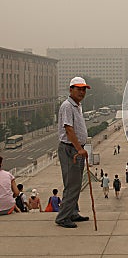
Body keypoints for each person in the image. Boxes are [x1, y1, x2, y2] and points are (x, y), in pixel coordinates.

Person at [55, 76, 91, 228]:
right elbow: (69, 129)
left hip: (74, 149)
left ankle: (73, 212)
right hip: (71, 150)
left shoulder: (77, 105)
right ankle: (63, 217)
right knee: (72, 185)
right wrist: (80, 149)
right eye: (79, 89)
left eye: (84, 89)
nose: (82, 92)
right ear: (71, 90)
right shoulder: (67, 106)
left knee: (74, 183)